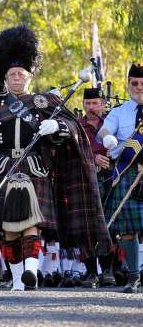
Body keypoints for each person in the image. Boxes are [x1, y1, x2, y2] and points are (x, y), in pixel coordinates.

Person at [0, 25, 111, 291]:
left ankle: (31, 272)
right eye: (12, 74)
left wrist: (58, 128)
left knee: (32, 223)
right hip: (3, 168)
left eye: (21, 74)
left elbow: (73, 126)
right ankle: (18, 279)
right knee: (8, 228)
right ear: (6, 79)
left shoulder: (44, 103)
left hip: (34, 168)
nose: (17, 77)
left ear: (29, 77)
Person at [98, 63, 143, 293]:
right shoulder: (119, 112)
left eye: (142, 83)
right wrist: (108, 139)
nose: (139, 87)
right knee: (128, 229)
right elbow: (104, 130)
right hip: (128, 172)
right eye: (134, 83)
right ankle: (134, 278)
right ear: (128, 85)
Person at [78, 88, 116, 287]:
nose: (90, 107)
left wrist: (113, 157)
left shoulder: (111, 123)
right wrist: (93, 158)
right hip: (84, 179)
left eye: (94, 103)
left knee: (108, 224)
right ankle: (91, 272)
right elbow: (71, 150)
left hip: (110, 178)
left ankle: (109, 270)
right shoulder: (77, 125)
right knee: (87, 226)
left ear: (102, 104)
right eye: (87, 104)